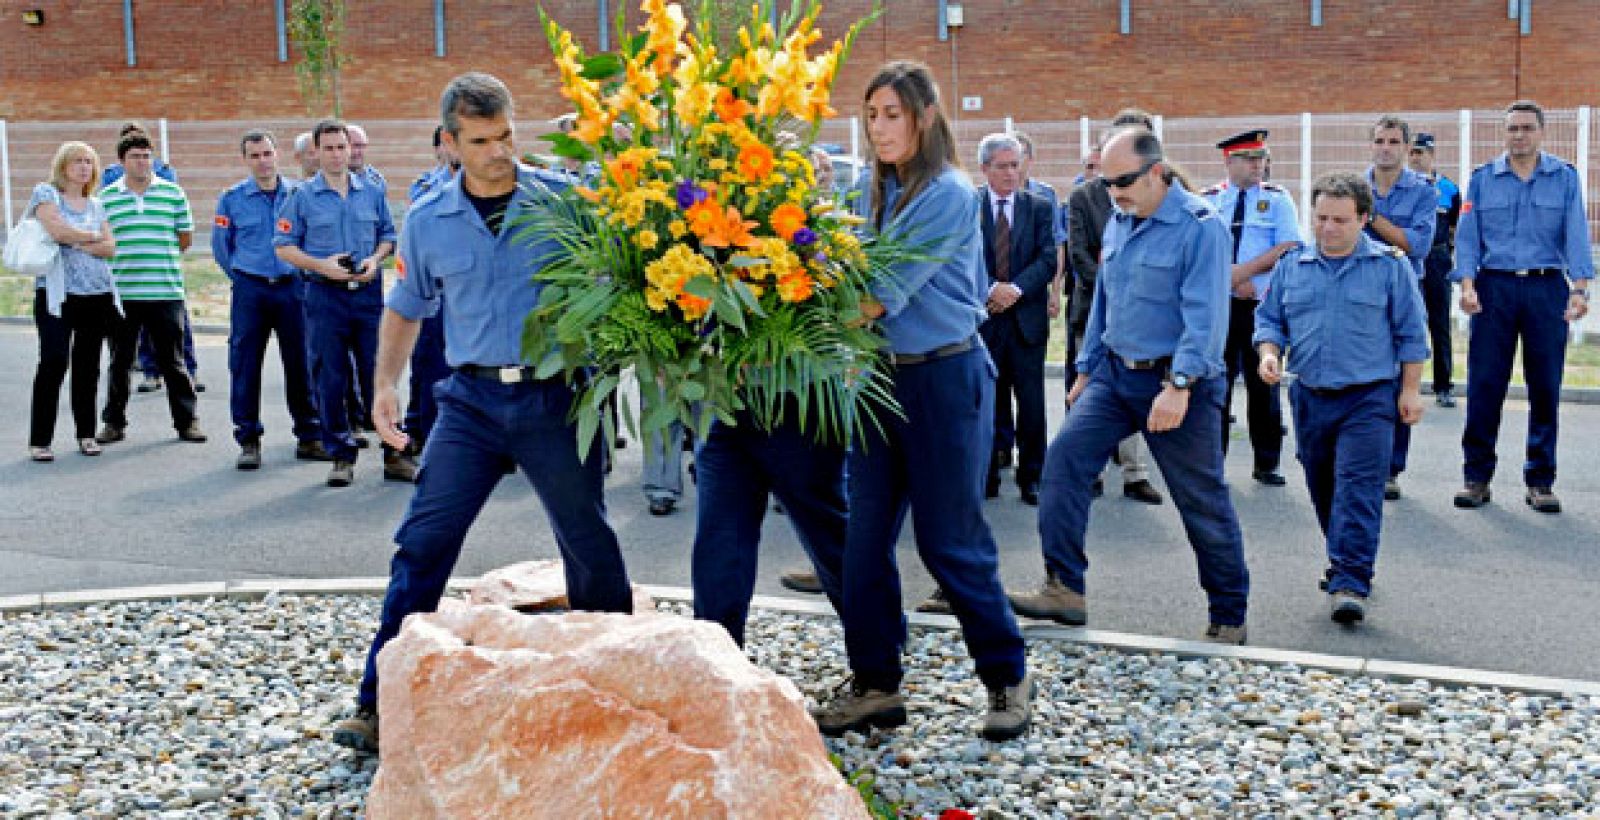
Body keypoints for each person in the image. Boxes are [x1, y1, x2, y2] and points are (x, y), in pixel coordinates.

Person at [330, 72, 635, 753]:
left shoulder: (564, 205)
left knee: (589, 546)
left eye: (506, 135)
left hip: (554, 397)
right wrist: (385, 385)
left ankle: (618, 688)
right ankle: (378, 702)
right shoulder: (428, 220)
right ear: (449, 143)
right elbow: (406, 308)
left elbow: (618, 285)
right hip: (468, 404)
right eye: (481, 140)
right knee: (423, 543)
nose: (500, 152)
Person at [809, 61, 1034, 743]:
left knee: (948, 542)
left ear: (926, 117)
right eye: (872, 114)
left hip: (944, 378)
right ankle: (876, 684)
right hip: (881, 379)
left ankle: (1006, 673)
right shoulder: (873, 187)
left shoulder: (947, 193)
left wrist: (790, 311)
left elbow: (875, 294)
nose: (880, 128)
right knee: (864, 541)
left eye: (894, 114)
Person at [1013, 127, 1250, 645]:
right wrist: (1086, 367)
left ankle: (1229, 613)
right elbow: (1105, 300)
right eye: (1104, 179)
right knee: (1064, 463)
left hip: (1176, 382)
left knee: (1200, 497)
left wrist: (1180, 384)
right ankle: (1064, 587)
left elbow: (1206, 316)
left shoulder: (1200, 227)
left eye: (1121, 181)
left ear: (1157, 172)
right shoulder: (1121, 218)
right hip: (1115, 376)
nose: (1111, 191)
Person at [1255, 172, 1428, 625]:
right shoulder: (1294, 265)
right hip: (1310, 396)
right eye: (1322, 218)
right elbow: (1269, 321)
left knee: (1358, 488)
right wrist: (1269, 355)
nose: (1329, 228)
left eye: (1340, 220)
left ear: (1365, 219)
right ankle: (1342, 557)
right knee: (1323, 486)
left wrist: (1410, 390)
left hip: (1368, 399)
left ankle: (1351, 580)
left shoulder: (1390, 267)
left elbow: (1412, 335)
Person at [1453, 100, 1592, 514]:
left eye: (1527, 128)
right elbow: (1468, 237)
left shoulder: (1564, 179)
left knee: (1546, 387)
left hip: (1546, 288)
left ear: (1541, 132)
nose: (1519, 135)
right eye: (1512, 128)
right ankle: (1476, 478)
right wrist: (1466, 285)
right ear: (1504, 133)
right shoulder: (1483, 180)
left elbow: (1576, 234)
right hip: (1493, 289)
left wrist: (1580, 289)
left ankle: (1541, 481)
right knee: (1484, 386)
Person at [273, 119, 405, 486]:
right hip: (323, 296)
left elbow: (388, 237)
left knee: (380, 375)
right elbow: (284, 247)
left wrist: (374, 260)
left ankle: (395, 452)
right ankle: (340, 455)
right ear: (315, 152)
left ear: (351, 149)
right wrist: (322, 266)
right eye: (327, 148)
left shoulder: (373, 191)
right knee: (330, 376)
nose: (335, 154)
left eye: (341, 147)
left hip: (367, 296)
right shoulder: (301, 197)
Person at [212, 130, 327, 469]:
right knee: (245, 365)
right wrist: (243, 278)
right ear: (245, 160)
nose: (262, 161)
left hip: (292, 287)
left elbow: (310, 238)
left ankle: (309, 435)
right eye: (254, 155)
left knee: (301, 364)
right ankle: (248, 439)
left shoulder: (299, 194)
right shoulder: (231, 199)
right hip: (251, 290)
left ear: (277, 155)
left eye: (267, 153)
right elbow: (222, 247)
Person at [1064, 129, 1163, 505]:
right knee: (1090, 394)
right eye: (1103, 175)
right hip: (1092, 309)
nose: (1113, 187)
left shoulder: (1153, 205)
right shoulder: (1082, 198)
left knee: (1132, 391)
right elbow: (1079, 255)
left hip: (1135, 320)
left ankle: (1136, 474)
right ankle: (1094, 472)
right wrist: (1112, 285)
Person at [1200, 129, 1299, 487]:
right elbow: (1198, 247)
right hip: (1219, 306)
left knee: (1264, 385)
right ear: (1229, 161)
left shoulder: (1277, 200)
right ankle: (1214, 463)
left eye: (1262, 159)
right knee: (1215, 385)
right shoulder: (1208, 199)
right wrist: (1226, 276)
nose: (1259, 165)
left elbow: (1289, 246)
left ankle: (1267, 462)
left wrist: (1245, 272)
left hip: (1259, 307)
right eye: (1250, 159)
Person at [95, 130, 207, 445]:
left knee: (173, 361)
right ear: (122, 162)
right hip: (123, 294)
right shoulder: (106, 199)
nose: (143, 162)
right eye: (135, 157)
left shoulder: (173, 194)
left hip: (165, 292)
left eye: (147, 156)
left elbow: (183, 239)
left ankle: (187, 422)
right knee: (119, 362)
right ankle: (113, 423)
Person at [26, 142, 121, 462]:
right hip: (57, 295)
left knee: (88, 366)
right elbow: (56, 231)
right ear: (63, 166)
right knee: (53, 361)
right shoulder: (46, 194)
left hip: (95, 293)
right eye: (77, 161)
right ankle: (40, 440)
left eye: (89, 162)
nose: (84, 167)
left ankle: (85, 433)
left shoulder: (97, 204)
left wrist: (80, 238)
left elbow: (111, 249)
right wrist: (91, 237)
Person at [975, 132, 1054, 505]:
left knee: (1032, 405)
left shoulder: (1038, 207)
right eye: (1002, 166)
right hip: (985, 320)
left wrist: (1015, 290)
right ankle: (986, 474)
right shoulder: (969, 207)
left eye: (1015, 165)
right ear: (985, 169)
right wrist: (991, 289)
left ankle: (1032, 476)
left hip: (1026, 320)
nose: (1011, 173)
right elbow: (962, 260)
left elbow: (1048, 259)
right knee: (986, 402)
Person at [1363, 116, 1436, 501]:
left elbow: (1417, 246)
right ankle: (1359, 460)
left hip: (1405, 291)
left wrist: (1371, 217)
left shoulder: (1424, 190)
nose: (1386, 147)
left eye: (1393, 141)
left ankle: (1391, 467)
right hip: (1359, 292)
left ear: (1407, 148)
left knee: (1401, 377)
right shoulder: (1354, 187)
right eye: (1379, 140)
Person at [400, 126, 459, 458]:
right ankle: (426, 433)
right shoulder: (425, 187)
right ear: (440, 149)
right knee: (430, 365)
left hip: (470, 292)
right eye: (448, 143)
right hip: (435, 290)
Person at [1408, 132, 1463, 408]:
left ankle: (1444, 385)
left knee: (1439, 324)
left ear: (1432, 155)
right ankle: (1407, 385)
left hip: (1438, 259)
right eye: (1413, 153)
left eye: (1421, 152)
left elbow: (1455, 227)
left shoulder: (1449, 189)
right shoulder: (1404, 187)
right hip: (1409, 259)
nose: (1416, 158)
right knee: (1408, 322)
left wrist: (1446, 255)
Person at [345, 123, 387, 191]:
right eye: (351, 146)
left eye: (361, 146)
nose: (356, 152)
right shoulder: (327, 179)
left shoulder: (377, 182)